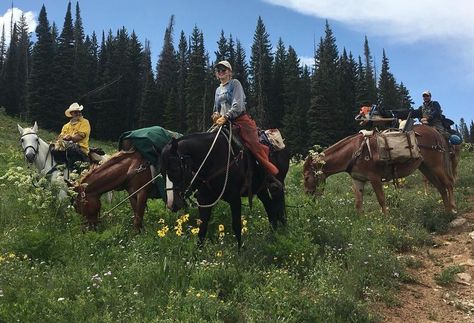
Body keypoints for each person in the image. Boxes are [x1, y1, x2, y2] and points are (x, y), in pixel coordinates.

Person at [211, 60, 282, 190]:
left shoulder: (235, 84)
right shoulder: (217, 90)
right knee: (208, 143)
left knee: (253, 144)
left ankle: (268, 176)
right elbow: (216, 107)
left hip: (239, 120)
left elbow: (238, 105)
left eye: (224, 70)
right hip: (222, 122)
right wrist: (215, 115)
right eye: (218, 70)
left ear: (229, 72)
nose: (221, 72)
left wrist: (227, 116)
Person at [52, 102, 91, 168]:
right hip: (66, 148)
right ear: (71, 114)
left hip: (81, 148)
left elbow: (81, 136)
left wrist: (70, 138)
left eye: (79, 112)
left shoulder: (85, 122)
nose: (78, 113)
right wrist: (61, 139)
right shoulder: (66, 126)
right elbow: (60, 137)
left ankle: (73, 172)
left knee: (71, 149)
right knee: (53, 149)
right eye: (76, 112)